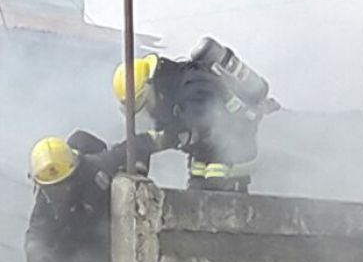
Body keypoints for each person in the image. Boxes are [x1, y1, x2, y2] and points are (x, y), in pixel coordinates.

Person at [113, 38, 277, 193]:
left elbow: (194, 131)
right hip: (207, 163)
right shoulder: (169, 94)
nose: (147, 111)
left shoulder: (194, 86)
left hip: (232, 164)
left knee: (218, 206)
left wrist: (146, 142)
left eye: (145, 103)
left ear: (151, 86)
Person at [25, 129, 168, 262]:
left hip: (105, 247)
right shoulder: (46, 197)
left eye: (62, 185)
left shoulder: (96, 169)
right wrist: (38, 255)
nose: (58, 193)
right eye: (52, 189)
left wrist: (169, 136)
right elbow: (37, 230)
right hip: (72, 254)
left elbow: (135, 146)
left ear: (74, 173)